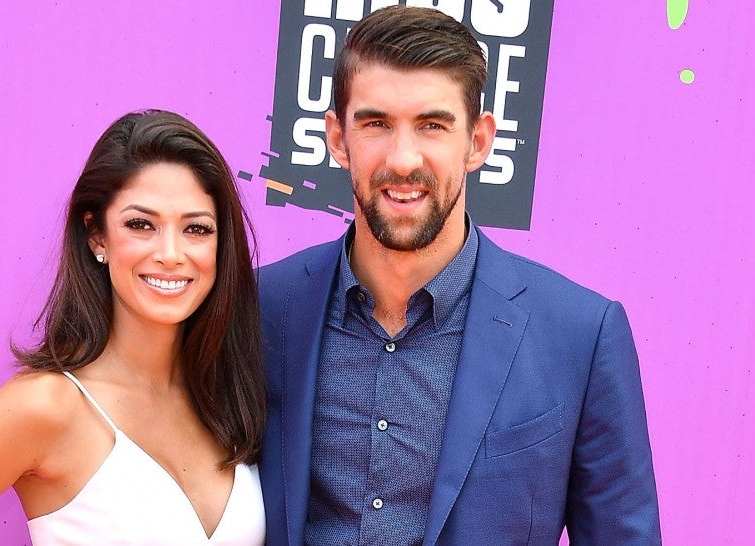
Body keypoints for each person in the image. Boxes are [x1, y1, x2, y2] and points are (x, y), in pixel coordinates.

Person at [257, 6, 660, 545]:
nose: (404, 159)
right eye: (376, 124)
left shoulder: (579, 336)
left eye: (432, 125)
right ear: (336, 137)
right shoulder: (262, 308)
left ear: (478, 141)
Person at [0, 110, 266, 545]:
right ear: (97, 235)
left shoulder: (232, 400)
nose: (171, 253)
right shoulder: (44, 408)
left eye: (196, 229)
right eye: (140, 225)